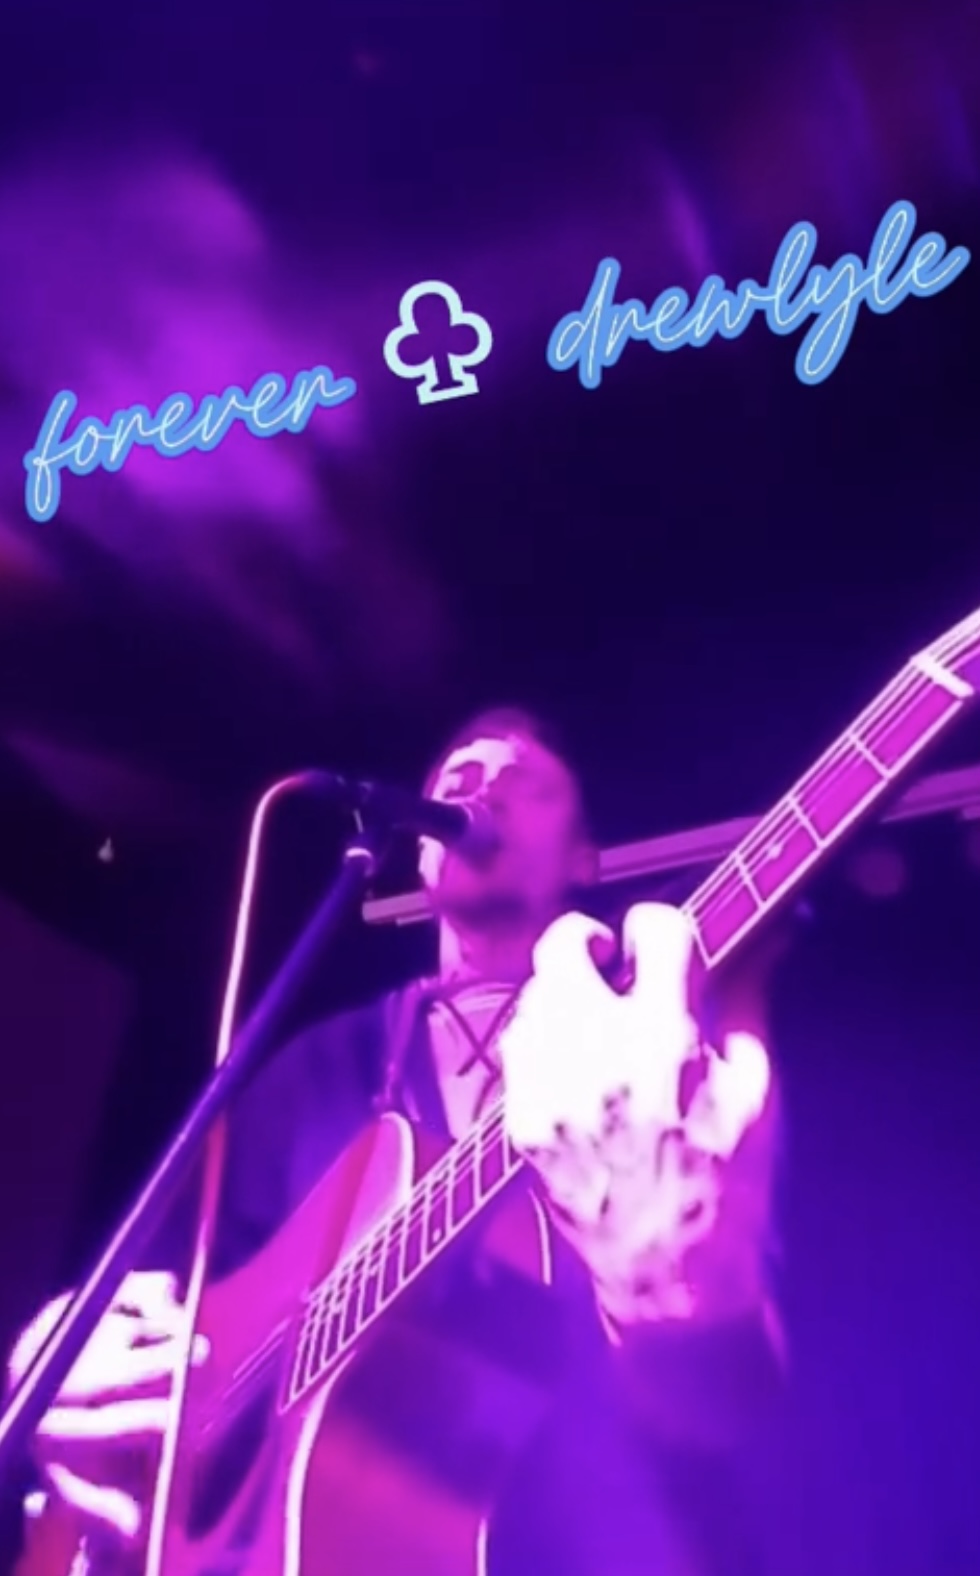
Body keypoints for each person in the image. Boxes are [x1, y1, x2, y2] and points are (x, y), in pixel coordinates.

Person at [8, 708, 784, 1576]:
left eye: (525, 783)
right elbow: (162, 1286)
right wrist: (59, 1363)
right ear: (418, 852)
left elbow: (747, 1408)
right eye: (458, 778)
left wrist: (683, 1295)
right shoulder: (315, 1065)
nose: (482, 790)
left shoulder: (652, 1041)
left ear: (583, 859)